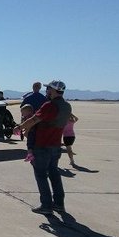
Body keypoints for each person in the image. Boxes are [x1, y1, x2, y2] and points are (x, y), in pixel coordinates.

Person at [16, 80, 72, 215]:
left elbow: (34, 119)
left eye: (48, 89)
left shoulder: (49, 106)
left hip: (42, 146)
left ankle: (46, 205)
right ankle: (59, 204)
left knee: (41, 175)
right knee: (54, 174)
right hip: (55, 146)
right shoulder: (67, 106)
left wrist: (19, 128)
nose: (46, 91)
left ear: (52, 91)